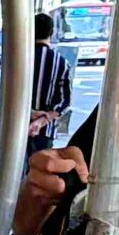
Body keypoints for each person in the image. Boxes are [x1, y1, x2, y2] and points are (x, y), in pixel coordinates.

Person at [27, 11, 72, 157]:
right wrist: (42, 119)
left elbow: (5, 96)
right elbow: (65, 102)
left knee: (14, 173)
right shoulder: (61, 63)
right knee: (38, 172)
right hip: (46, 130)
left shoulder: (19, 60)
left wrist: (30, 113)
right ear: (51, 33)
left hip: (16, 128)